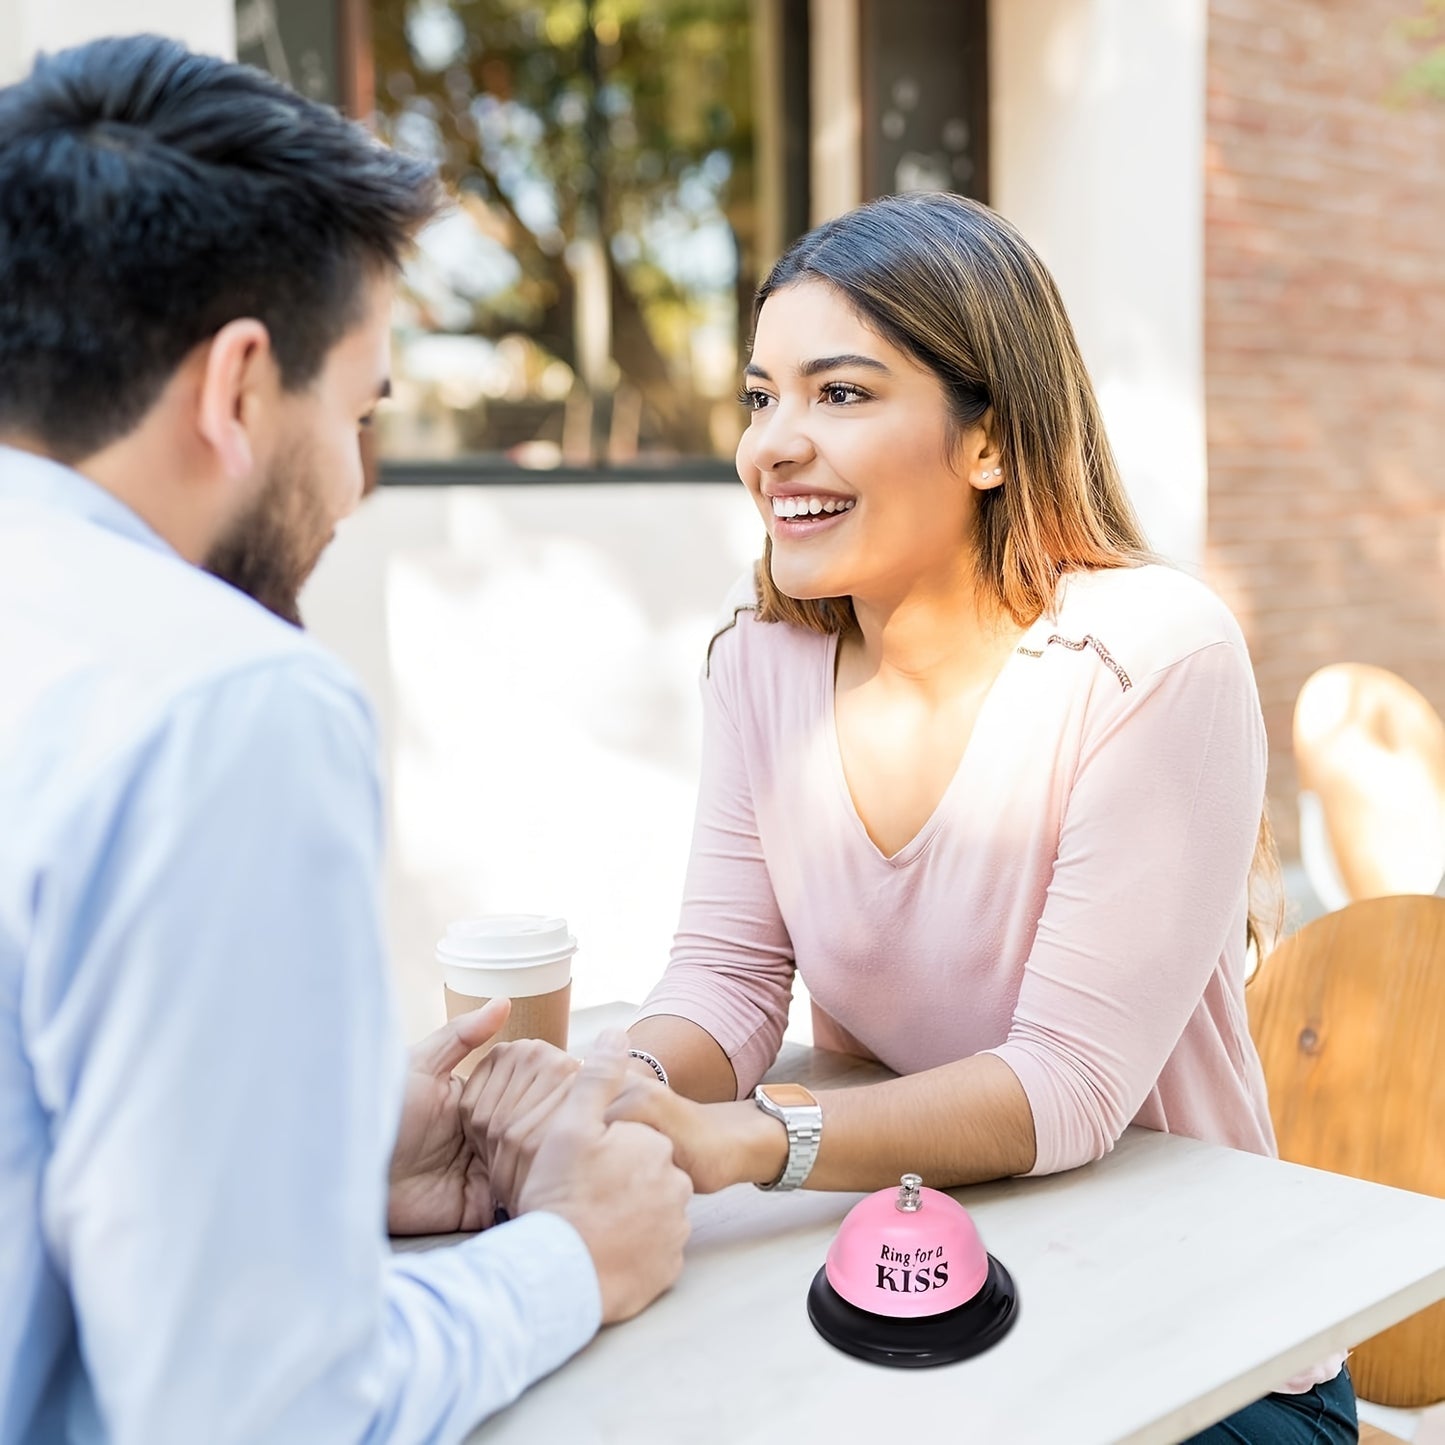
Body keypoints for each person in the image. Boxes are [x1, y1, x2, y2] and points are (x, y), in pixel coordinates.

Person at [0, 36, 690, 1445]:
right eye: (360, 409)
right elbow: (258, 1409)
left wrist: (318, 1151)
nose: (357, 483)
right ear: (240, 386)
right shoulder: (221, 700)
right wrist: (574, 1254)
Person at [611, 193, 1357, 1443]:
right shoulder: (759, 665)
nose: (773, 446)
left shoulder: (1145, 659)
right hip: (928, 1294)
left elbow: (1063, 1086)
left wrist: (743, 1140)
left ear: (989, 442)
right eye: (759, 398)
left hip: (1196, 1351)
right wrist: (618, 1092)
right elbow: (728, 977)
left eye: (838, 394)